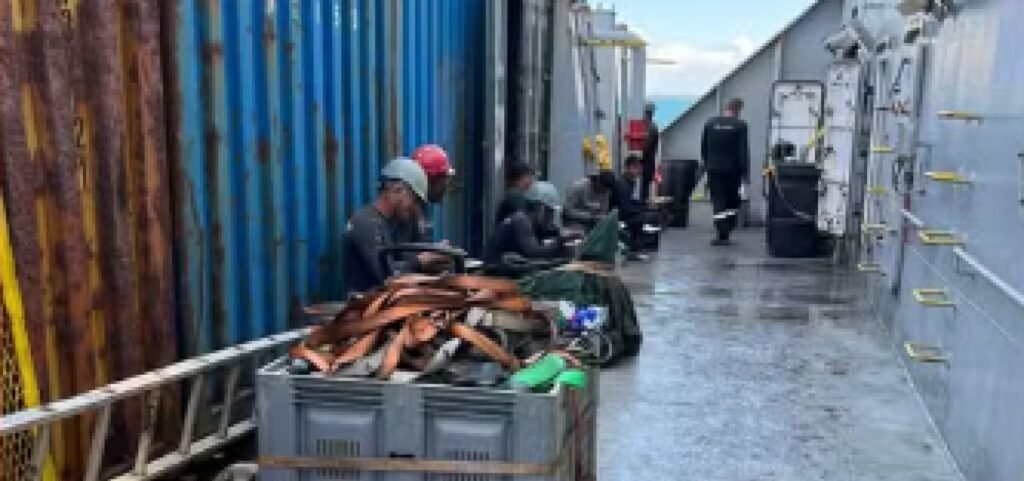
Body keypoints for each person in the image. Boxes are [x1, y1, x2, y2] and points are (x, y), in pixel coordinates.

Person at [344, 157, 430, 293]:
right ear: (398, 190)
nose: (415, 208)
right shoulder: (365, 222)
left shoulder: (398, 223)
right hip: (369, 303)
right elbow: (386, 276)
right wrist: (420, 262)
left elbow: (405, 261)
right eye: (415, 200)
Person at [485, 181, 570, 276]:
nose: (550, 218)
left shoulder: (534, 224)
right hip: (495, 274)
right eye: (550, 212)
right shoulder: (520, 220)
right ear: (540, 208)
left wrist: (562, 238)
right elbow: (534, 253)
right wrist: (560, 241)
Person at [700, 97, 750, 246]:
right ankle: (727, 229)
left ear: (726, 108)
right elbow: (742, 151)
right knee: (732, 199)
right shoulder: (740, 125)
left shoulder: (710, 123)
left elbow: (704, 147)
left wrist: (708, 165)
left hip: (714, 168)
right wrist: (745, 173)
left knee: (718, 199)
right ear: (738, 110)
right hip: (732, 170)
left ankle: (721, 233)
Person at [613, 154, 658, 261]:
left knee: (653, 214)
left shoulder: (630, 182)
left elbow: (630, 201)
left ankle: (641, 246)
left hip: (625, 211)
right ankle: (635, 248)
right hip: (619, 214)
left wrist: (644, 205)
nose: (639, 171)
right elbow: (624, 208)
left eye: (640, 168)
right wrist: (641, 210)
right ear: (628, 168)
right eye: (636, 168)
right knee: (645, 218)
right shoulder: (622, 184)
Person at [641, 102, 660, 202]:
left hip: (646, 163)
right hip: (647, 163)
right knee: (644, 189)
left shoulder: (650, 128)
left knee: (643, 188)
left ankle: (642, 206)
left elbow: (646, 147)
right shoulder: (652, 127)